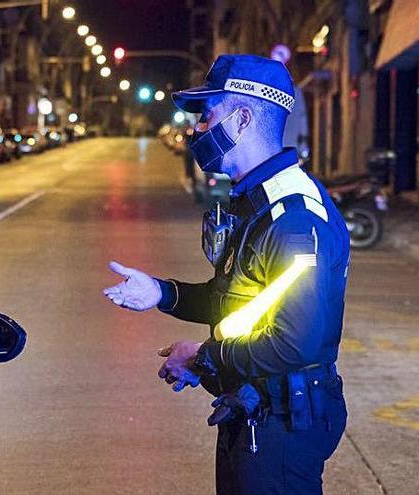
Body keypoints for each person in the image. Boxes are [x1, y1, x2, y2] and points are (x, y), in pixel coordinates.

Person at [103, 55, 350, 495]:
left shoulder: (292, 216)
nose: (198, 129)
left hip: (283, 424)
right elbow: (241, 302)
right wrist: (161, 293)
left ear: (242, 119)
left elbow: (298, 341)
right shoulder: (254, 202)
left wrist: (203, 356)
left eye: (207, 115)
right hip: (254, 410)